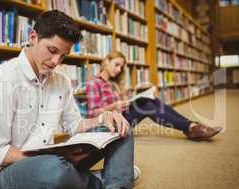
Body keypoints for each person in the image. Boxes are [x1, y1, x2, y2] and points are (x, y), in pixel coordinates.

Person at [0, 10, 133, 189]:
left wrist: (103, 118)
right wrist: (57, 159)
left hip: (58, 160)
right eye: (52, 50)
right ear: (33, 38)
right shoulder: (0, 81)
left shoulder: (61, 81)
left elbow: (74, 125)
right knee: (55, 172)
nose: (56, 62)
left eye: (63, 56)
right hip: (11, 173)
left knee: (120, 127)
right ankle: (108, 180)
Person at [85, 51, 222, 141]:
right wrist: (113, 106)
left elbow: (122, 104)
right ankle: (191, 127)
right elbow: (91, 113)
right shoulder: (94, 83)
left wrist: (127, 101)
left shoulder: (113, 83)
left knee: (150, 99)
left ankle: (191, 126)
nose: (119, 69)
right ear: (107, 61)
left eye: (121, 67)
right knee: (148, 105)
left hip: (122, 116)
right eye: (117, 65)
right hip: (112, 124)